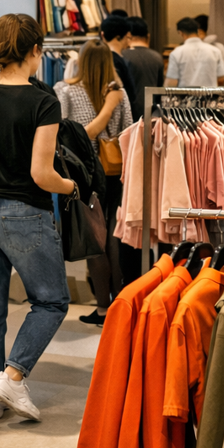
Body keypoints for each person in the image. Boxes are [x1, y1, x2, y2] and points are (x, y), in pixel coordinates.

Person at [0, 13, 74, 423]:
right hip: (24, 213)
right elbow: (42, 174)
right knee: (52, 301)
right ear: (35, 50)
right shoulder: (43, 101)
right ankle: (11, 376)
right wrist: (71, 186)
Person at [55, 40, 131, 325]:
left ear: (81, 60)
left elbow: (64, 134)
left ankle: (102, 308)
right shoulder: (118, 93)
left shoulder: (65, 90)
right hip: (116, 170)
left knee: (94, 236)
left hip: (83, 173)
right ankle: (120, 305)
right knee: (114, 234)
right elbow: (129, 132)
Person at [122, 16, 164, 120]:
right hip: (151, 113)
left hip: (127, 113)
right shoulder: (157, 57)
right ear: (148, 36)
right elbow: (160, 89)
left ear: (127, 35)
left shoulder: (122, 56)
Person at [166, 16, 224, 88]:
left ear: (181, 33)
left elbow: (172, 82)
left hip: (185, 94)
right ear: (197, 31)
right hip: (210, 94)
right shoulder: (215, 51)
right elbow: (221, 79)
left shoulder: (176, 53)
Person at [94, 15, 138, 111]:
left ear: (103, 35)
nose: (129, 41)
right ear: (120, 37)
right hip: (118, 113)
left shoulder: (100, 59)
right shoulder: (114, 60)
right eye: (128, 37)